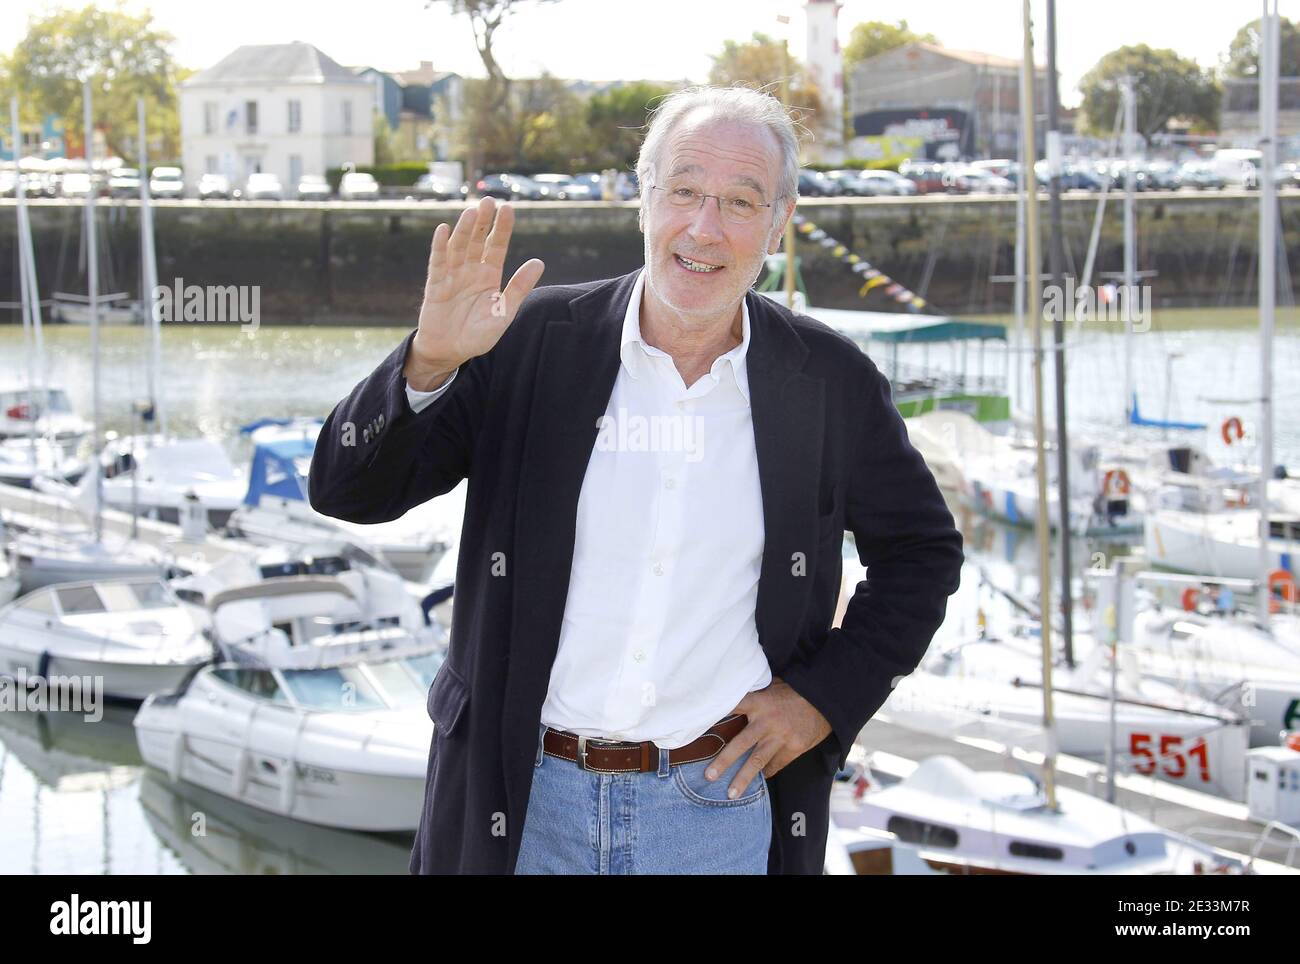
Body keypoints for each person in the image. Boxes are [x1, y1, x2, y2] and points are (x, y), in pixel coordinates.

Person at [308, 85, 963, 875]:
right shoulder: (526, 345)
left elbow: (923, 552)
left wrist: (823, 699)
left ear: (780, 223)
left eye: (740, 201)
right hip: (518, 806)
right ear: (642, 201)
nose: (704, 226)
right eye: (684, 192)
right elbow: (349, 491)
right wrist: (431, 361)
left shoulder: (828, 381)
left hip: (716, 811)